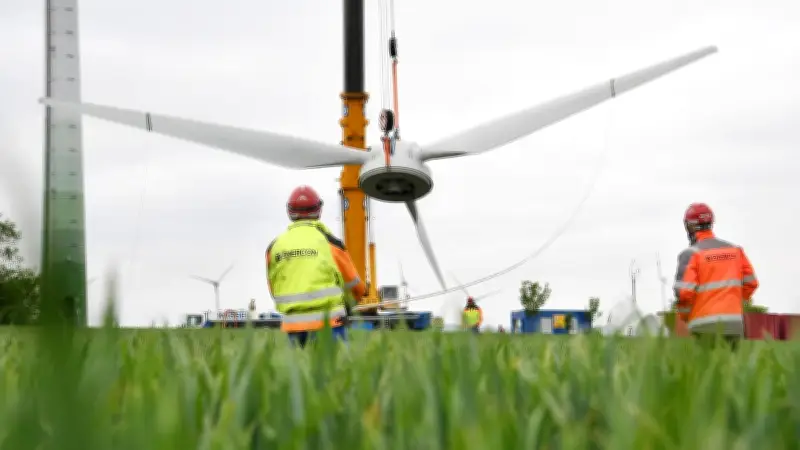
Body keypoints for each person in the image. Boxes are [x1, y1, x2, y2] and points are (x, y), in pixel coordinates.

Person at [266, 185, 366, 348]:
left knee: (298, 373)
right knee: (338, 371)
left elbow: (273, 288)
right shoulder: (330, 243)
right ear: (318, 210)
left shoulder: (274, 247)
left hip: (293, 327)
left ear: (290, 212)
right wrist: (354, 303)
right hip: (330, 325)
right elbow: (354, 285)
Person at [673, 203, 759, 349]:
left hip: (703, 325)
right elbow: (751, 283)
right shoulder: (735, 251)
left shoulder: (690, 254)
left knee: (707, 370)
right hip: (734, 324)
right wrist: (733, 301)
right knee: (730, 370)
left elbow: (684, 293)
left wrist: (684, 317)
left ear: (690, 226)